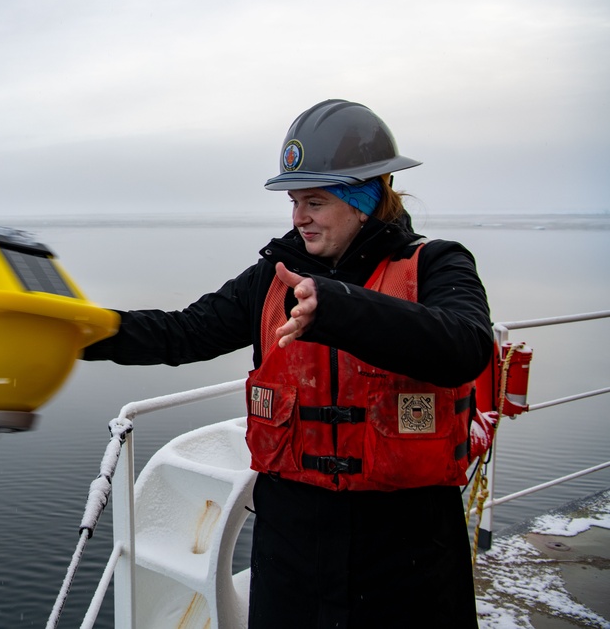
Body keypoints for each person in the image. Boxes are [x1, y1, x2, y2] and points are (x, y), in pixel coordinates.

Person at [82, 99, 493, 628]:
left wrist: (340, 308)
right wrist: (81, 332)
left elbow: (464, 345)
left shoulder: (437, 264)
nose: (299, 217)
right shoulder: (271, 279)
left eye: (315, 202)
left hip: (409, 548)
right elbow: (183, 333)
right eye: (295, 201)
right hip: (292, 547)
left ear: (365, 199)